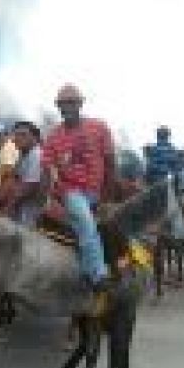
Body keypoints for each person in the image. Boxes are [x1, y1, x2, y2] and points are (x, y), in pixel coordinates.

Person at [41, 84, 111, 291]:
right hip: (72, 192)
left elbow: (110, 162)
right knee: (86, 223)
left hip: (97, 191)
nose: (66, 107)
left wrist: (106, 195)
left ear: (80, 104)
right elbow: (46, 168)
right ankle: (98, 275)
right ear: (58, 108)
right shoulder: (53, 136)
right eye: (62, 104)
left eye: (71, 103)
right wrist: (49, 195)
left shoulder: (99, 127)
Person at [9, 121, 44, 225]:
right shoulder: (24, 156)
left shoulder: (37, 155)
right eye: (16, 135)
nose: (18, 138)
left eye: (23, 134)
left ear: (35, 138)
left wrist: (7, 207)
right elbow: (15, 178)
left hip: (30, 214)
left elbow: (28, 187)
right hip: (21, 210)